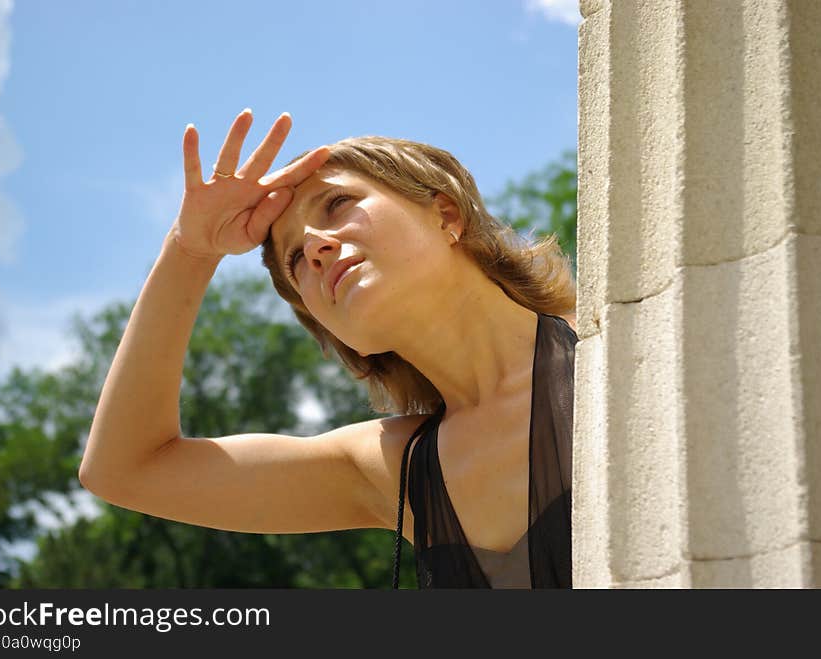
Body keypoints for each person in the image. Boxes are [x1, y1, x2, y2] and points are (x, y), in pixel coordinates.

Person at [79, 108, 578, 589]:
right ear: (329, 328)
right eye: (295, 257)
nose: (316, 245)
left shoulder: (613, 337)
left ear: (445, 213)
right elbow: (125, 468)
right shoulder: (388, 468)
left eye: (337, 204)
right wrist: (191, 249)